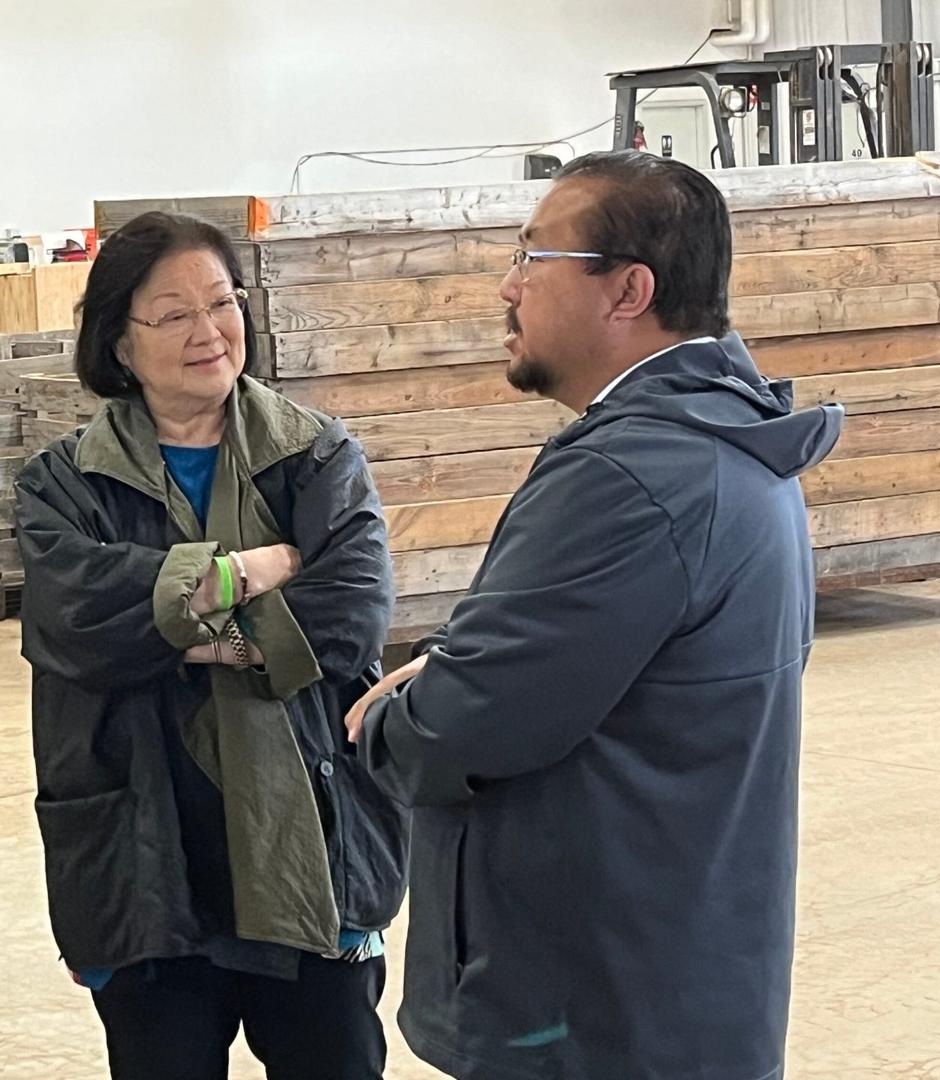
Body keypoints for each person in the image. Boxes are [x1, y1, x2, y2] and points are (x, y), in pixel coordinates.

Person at [347, 151, 844, 1079]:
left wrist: (388, 716)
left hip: (589, 1011)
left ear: (628, 291)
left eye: (534, 258)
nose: (508, 287)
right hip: (671, 983)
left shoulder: (628, 479)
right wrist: (465, 663)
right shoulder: (725, 443)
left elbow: (467, 725)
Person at [15, 211, 404, 1080]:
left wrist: (175, 622)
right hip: (142, 860)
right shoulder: (62, 484)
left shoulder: (316, 456)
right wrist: (262, 568)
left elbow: (347, 618)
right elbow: (79, 625)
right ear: (118, 341)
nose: (208, 331)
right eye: (173, 313)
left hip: (312, 853)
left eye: (221, 303)